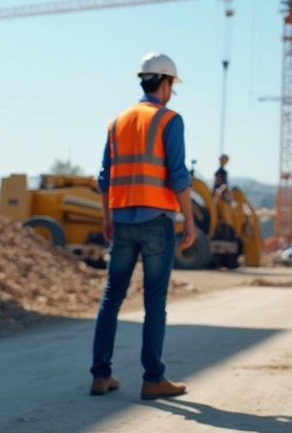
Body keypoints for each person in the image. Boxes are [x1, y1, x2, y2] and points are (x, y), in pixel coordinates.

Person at [89, 52, 198, 400]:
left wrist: (108, 218)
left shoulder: (116, 122)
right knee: (154, 301)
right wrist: (189, 221)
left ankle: (101, 375)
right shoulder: (169, 120)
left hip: (122, 221)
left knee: (112, 297)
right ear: (164, 83)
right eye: (172, 86)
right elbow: (178, 176)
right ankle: (153, 378)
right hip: (156, 223)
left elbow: (104, 178)